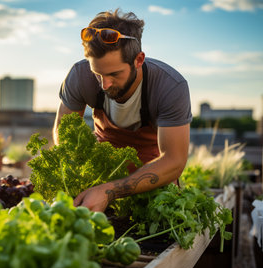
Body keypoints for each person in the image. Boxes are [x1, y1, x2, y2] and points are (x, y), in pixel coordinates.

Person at [53, 9, 192, 212]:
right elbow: (63, 135)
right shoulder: (80, 76)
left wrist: (110, 191)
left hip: (153, 183)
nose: (105, 84)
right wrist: (78, 176)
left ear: (138, 60)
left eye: (114, 74)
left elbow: (174, 160)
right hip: (98, 176)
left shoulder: (169, 86)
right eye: (97, 73)